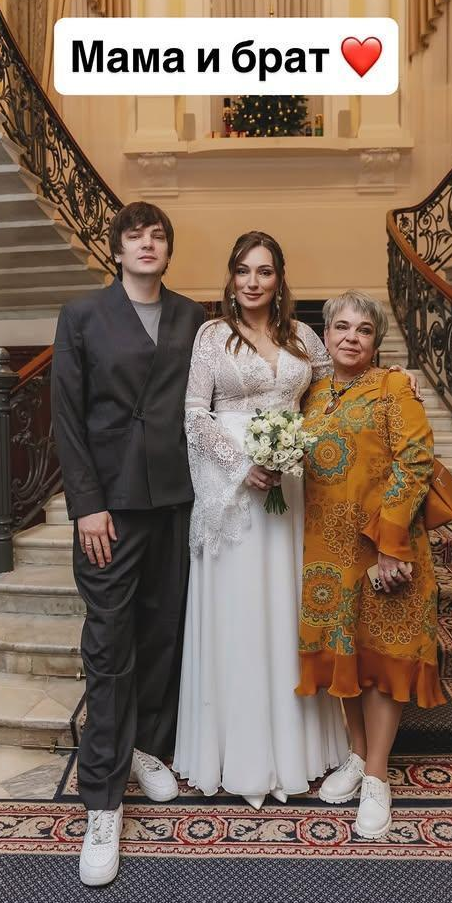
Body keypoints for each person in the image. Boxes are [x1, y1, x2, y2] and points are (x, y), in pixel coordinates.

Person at [51, 201, 205, 886]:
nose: (147, 244)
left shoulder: (193, 317)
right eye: (135, 236)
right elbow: (67, 415)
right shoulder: (82, 314)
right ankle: (103, 802)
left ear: (168, 250)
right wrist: (85, 504)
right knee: (109, 647)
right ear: (116, 249)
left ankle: (146, 746)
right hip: (109, 507)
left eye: (157, 235)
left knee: (163, 633)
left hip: (175, 499)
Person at [173, 231, 350, 806]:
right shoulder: (211, 336)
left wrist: (398, 379)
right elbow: (195, 412)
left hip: (290, 484)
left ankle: (296, 748)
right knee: (239, 607)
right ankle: (237, 750)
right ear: (231, 276)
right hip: (231, 487)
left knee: (285, 603)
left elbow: (335, 388)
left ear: (279, 279)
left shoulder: (303, 336)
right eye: (244, 270)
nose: (253, 282)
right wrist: (239, 464)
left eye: (265, 271)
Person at [296, 290, 445, 840]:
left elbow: (416, 460)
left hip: (385, 547)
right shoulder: (312, 394)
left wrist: (390, 544)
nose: (351, 337)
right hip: (328, 553)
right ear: (326, 335)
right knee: (349, 656)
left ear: (376, 341)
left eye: (363, 329)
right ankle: (357, 756)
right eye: (341, 326)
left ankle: (378, 776)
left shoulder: (393, 388)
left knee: (384, 660)